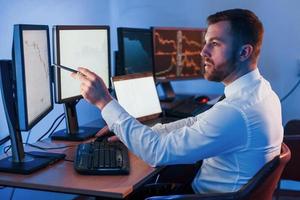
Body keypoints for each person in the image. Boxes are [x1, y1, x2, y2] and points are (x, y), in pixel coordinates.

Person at [71, 8, 283, 194]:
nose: (203, 52)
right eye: (206, 43)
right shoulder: (262, 92)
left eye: (215, 44)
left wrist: (104, 102)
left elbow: (156, 153)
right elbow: (196, 123)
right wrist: (135, 130)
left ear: (244, 52)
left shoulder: (237, 111)